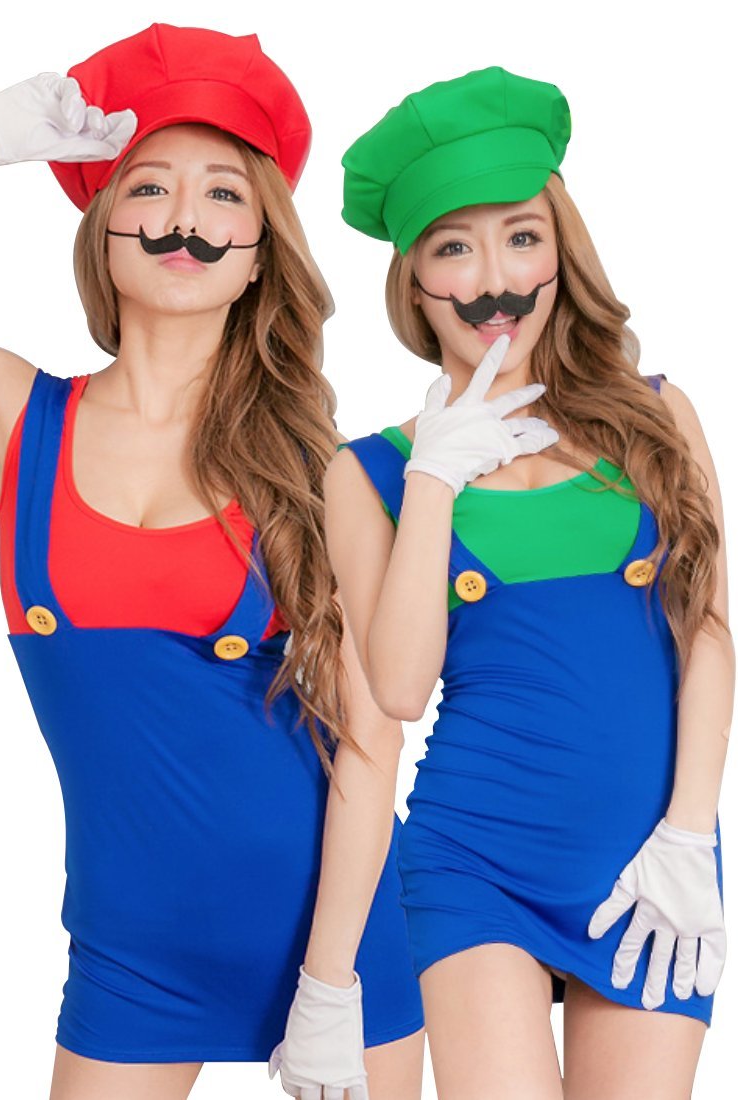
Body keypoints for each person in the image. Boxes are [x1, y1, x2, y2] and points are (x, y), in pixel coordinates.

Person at [0, 23, 424, 1100]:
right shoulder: (16, 423)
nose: (184, 217)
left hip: (340, 939)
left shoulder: (318, 468)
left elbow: (372, 737)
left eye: (225, 193)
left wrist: (330, 986)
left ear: (262, 248)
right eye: (149, 187)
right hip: (127, 951)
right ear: (102, 230)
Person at [325, 64, 732, 1098]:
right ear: (415, 283)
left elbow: (710, 631)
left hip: (652, 850)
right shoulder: (367, 473)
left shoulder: (658, 417)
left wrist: (691, 828)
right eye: (452, 247)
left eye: (520, 236)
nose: (492, 279)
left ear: (561, 252)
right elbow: (399, 687)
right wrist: (432, 480)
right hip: (476, 861)